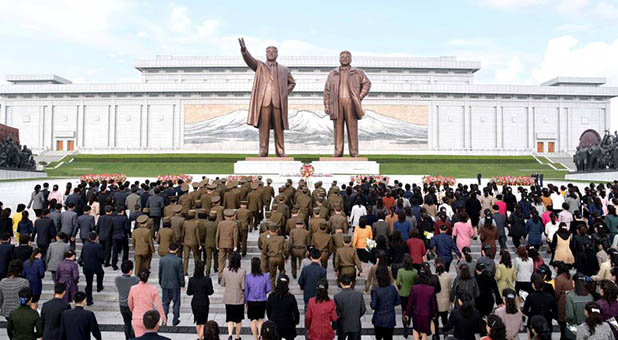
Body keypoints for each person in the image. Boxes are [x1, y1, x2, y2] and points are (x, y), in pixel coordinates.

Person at [128, 269, 166, 338]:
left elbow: (130, 303)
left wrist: (134, 311)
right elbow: (158, 305)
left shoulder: (133, 288)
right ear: (148, 277)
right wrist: (163, 317)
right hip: (150, 318)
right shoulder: (153, 289)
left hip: (137, 318)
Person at [185, 259, 214, 340]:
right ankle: (200, 338)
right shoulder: (207, 279)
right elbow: (210, 292)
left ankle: (199, 337)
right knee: (204, 321)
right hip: (204, 302)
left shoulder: (191, 280)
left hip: (195, 302)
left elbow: (189, 292)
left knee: (198, 321)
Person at [523, 274, 557, 339]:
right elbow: (555, 312)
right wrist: (549, 315)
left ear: (533, 285)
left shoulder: (530, 297)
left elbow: (525, 311)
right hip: (547, 323)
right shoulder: (550, 297)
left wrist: (532, 315)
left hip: (534, 324)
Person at [158, 242, 184, 326]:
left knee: (165, 302)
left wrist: (160, 282)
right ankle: (175, 319)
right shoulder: (178, 260)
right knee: (176, 302)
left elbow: (160, 272)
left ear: (168, 249)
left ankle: (164, 319)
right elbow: (180, 273)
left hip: (165, 284)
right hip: (175, 285)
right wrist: (182, 284)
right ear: (176, 250)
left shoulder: (162, 259)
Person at [266, 274, 300, 340]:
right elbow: (296, 312)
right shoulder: (291, 297)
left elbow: (268, 311)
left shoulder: (271, 296)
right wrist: (296, 321)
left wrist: (271, 319)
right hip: (288, 326)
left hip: (274, 325)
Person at [371, 265, 400, 340]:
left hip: (378, 318)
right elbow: (398, 301)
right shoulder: (393, 289)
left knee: (378, 337)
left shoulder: (377, 290)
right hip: (390, 318)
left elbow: (373, 305)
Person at [221, 252, 246, 340]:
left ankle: (230, 334)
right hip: (239, 298)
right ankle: (237, 336)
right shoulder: (242, 271)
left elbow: (222, 283)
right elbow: (243, 286)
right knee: (238, 319)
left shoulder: (225, 270)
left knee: (230, 317)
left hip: (228, 298)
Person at [334, 273, 366, 340]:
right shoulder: (358, 295)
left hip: (342, 325)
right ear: (351, 283)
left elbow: (337, 313)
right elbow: (363, 310)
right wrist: (356, 315)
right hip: (355, 325)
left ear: (341, 283)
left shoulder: (338, 297)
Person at [245, 257, 271, 340]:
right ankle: (261, 335)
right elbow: (268, 289)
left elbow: (246, 291)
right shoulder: (265, 276)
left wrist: (246, 302)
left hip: (251, 300)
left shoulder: (248, 277)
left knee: (252, 320)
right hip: (262, 300)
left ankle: (255, 338)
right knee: (261, 320)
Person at [115, 260, 139, 340]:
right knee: (134, 323)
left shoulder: (117, 279)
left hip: (122, 305)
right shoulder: (135, 280)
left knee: (127, 323)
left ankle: (127, 338)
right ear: (131, 270)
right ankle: (132, 338)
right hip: (132, 305)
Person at [565, 274, 594, 339]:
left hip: (574, 328)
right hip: (588, 328)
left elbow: (570, 315)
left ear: (575, 283)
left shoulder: (569, 296)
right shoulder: (590, 296)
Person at [396, 254, 417, 336]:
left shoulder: (400, 271)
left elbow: (398, 283)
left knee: (404, 311)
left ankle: (405, 327)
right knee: (411, 310)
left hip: (403, 293)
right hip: (412, 294)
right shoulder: (415, 272)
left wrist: (400, 286)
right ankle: (409, 321)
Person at [81, 232, 104, 305]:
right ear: (96, 238)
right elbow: (101, 257)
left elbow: (82, 256)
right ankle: (99, 286)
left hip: (87, 266)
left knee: (89, 284)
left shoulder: (85, 246)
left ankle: (89, 300)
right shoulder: (98, 246)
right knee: (101, 273)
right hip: (96, 265)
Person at [554, 261, 574, 340]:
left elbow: (557, 294)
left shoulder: (559, 279)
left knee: (562, 324)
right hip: (571, 301)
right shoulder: (571, 276)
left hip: (562, 302)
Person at [435, 259, 452, 340]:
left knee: (436, 320)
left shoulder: (434, 276)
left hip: (436, 302)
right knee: (445, 319)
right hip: (445, 301)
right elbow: (449, 289)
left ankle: (436, 335)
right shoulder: (448, 276)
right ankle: (445, 333)